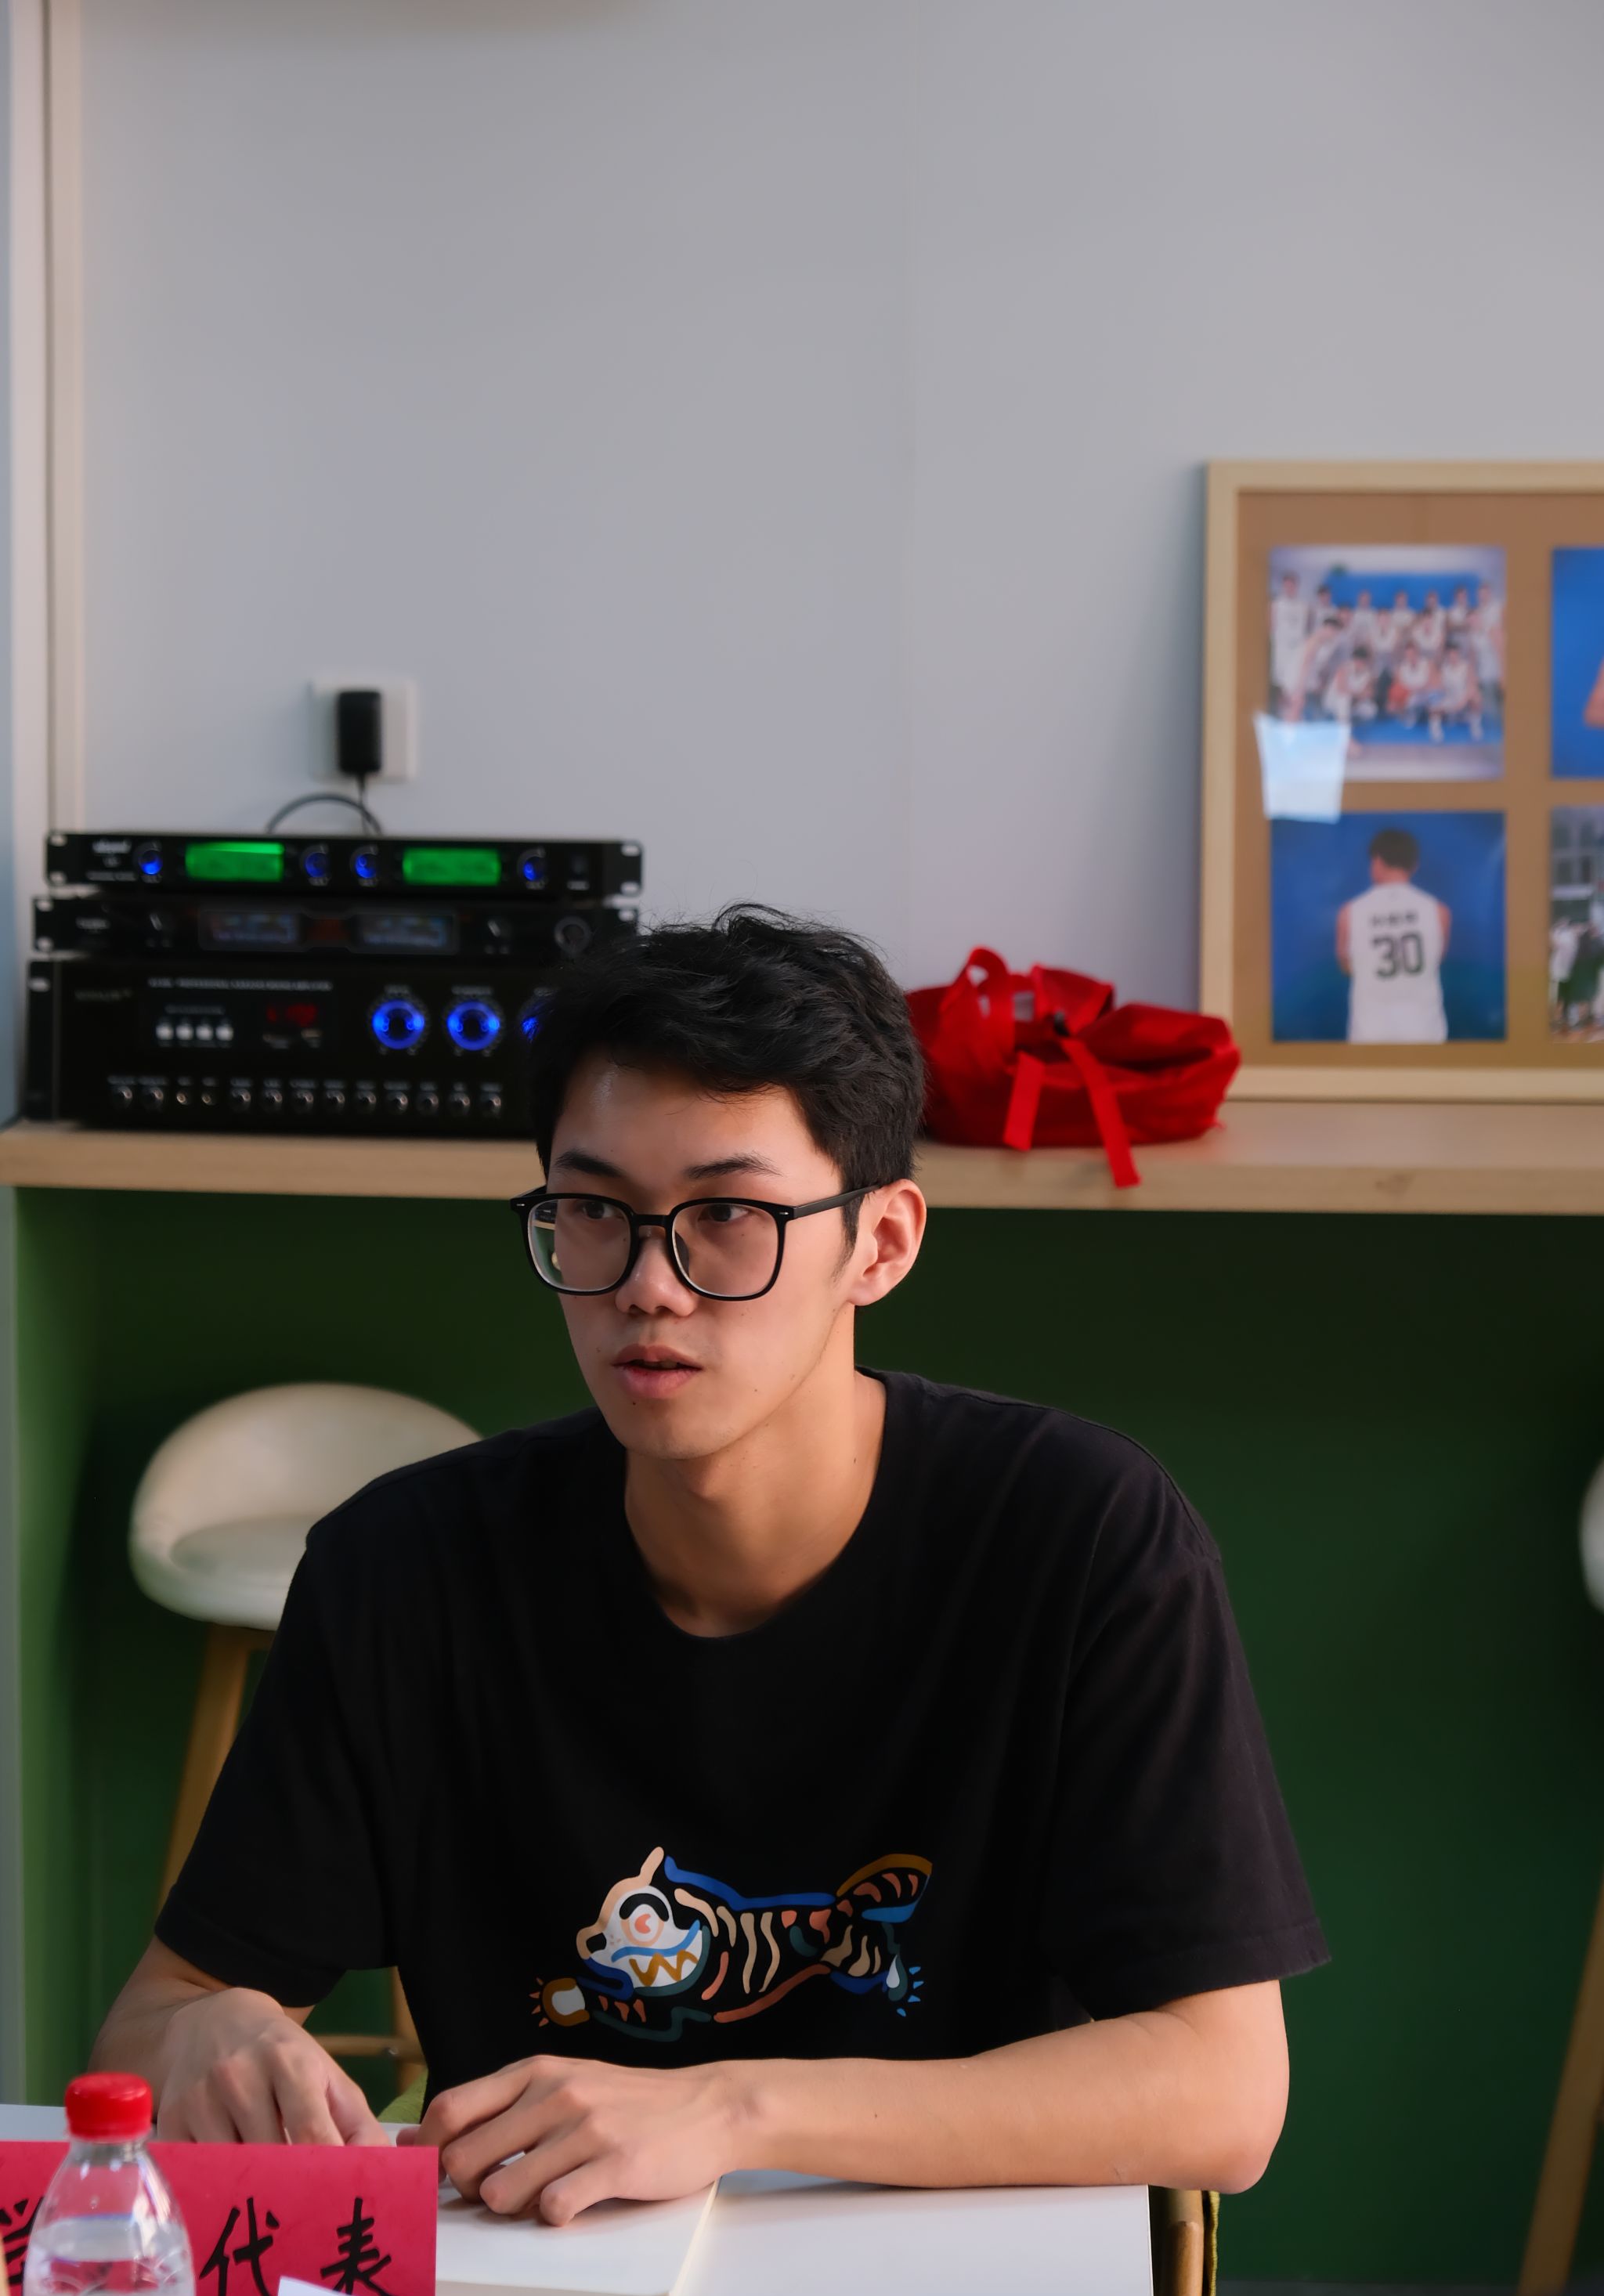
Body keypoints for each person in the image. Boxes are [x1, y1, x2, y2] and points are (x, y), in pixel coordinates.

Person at [93, 910, 1325, 2224]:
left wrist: (733, 2111)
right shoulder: (405, 1569)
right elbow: (152, 2026)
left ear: (881, 1243)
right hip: (553, 2286)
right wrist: (211, 2034)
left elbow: (1223, 2093)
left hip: (953, 2265)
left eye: (726, 1213)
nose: (647, 1284)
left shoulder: (1078, 1535)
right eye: (593, 1211)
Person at [1338, 829, 1451, 1043]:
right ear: (1414, 865)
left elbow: (1345, 964)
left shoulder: (1349, 912)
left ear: (1377, 861)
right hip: (1424, 1032)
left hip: (1369, 1034)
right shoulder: (1439, 911)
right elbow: (1436, 959)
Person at [1270, 569, 1310, 713]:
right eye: (1286, 586)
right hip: (1282, 650)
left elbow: (1307, 627)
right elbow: (1271, 626)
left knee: (1296, 683)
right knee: (1282, 684)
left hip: (1297, 650)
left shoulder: (1304, 606)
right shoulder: (1276, 604)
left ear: (1296, 586)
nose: (1289, 588)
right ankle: (1282, 713)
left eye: (1292, 585)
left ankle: (1295, 713)